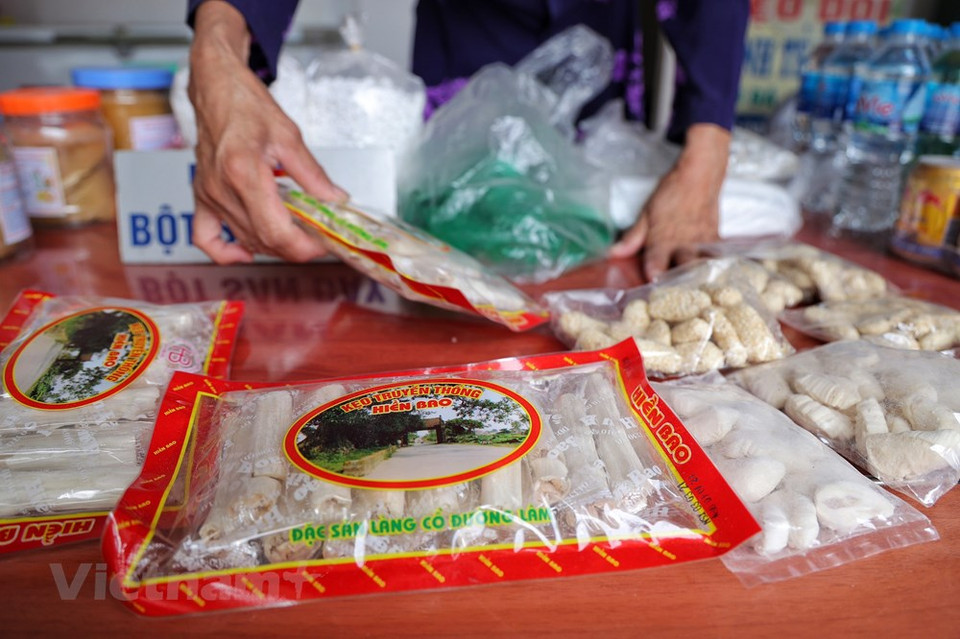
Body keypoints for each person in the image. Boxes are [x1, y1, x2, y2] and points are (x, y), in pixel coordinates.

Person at [186, 0, 749, 280]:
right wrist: (218, 53)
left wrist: (707, 150)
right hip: (464, 47)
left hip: (595, 43)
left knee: (589, 246)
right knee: (449, 236)